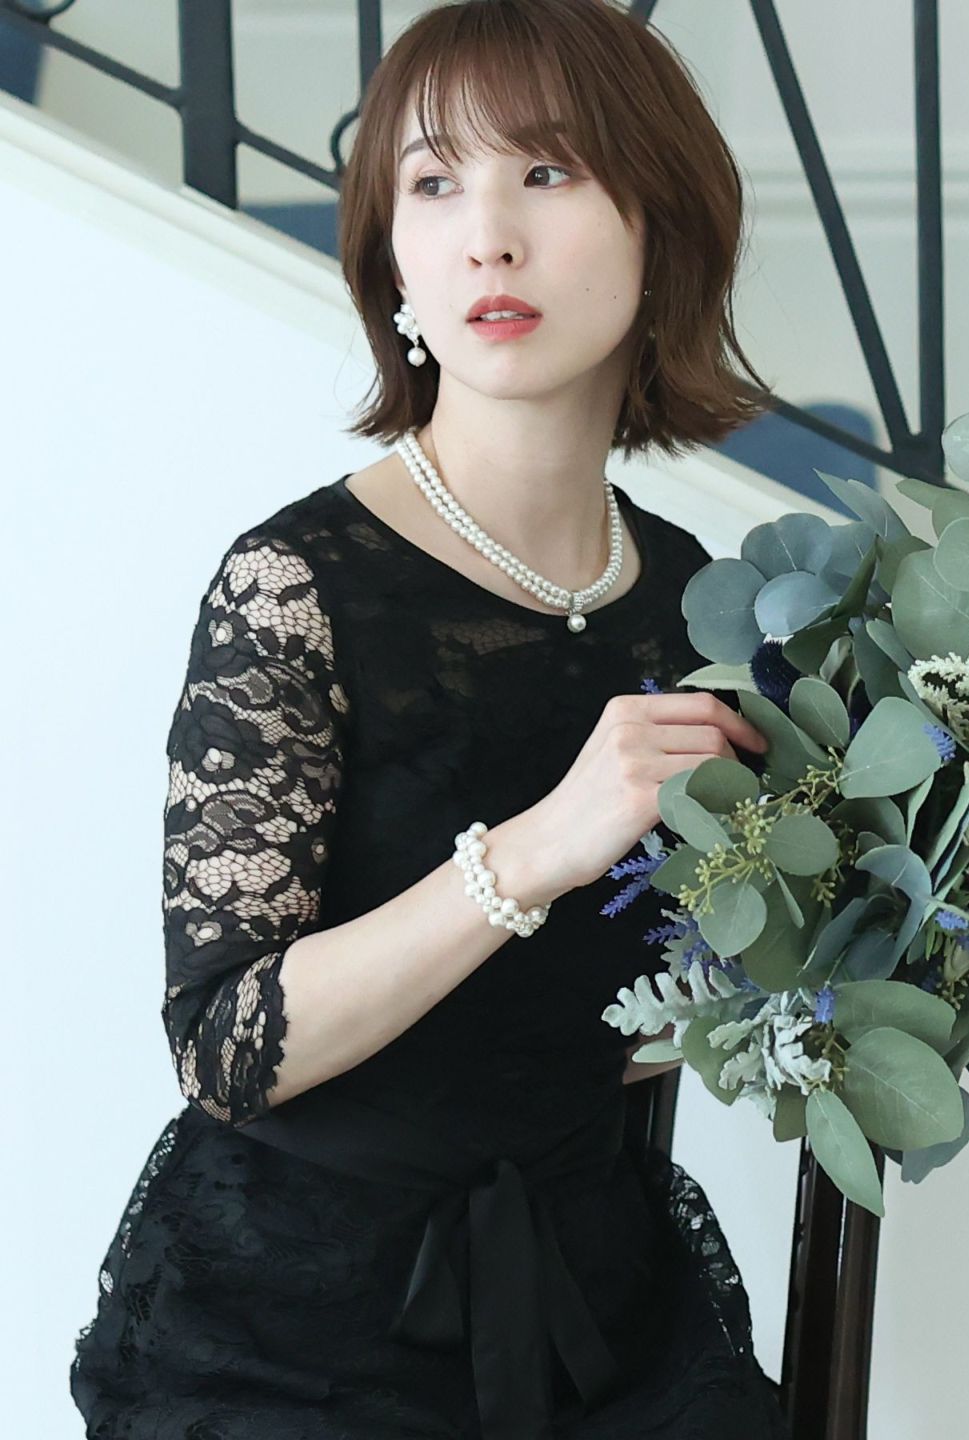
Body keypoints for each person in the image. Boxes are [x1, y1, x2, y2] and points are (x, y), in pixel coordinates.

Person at [69, 1, 790, 1435]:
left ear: (660, 232)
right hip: (292, 1332)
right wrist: (533, 851)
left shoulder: (700, 605)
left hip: (601, 1308)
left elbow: (652, 1002)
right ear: (392, 258)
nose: (488, 239)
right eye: (436, 182)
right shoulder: (295, 587)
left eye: (548, 171)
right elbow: (223, 1046)